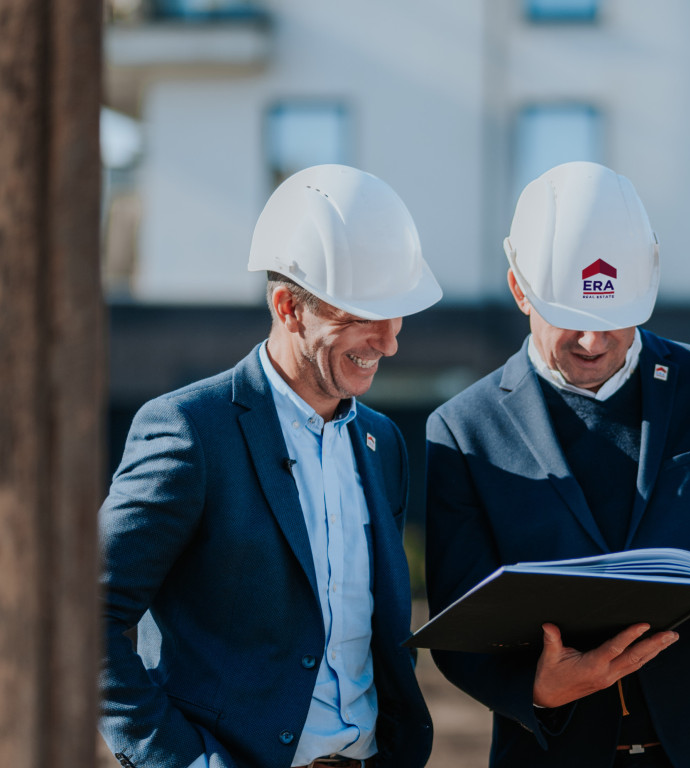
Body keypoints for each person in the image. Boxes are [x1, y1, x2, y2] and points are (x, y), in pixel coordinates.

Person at [424, 161, 690, 768]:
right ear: (520, 289)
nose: (594, 342)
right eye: (572, 320)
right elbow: (457, 621)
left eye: (612, 319)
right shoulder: (463, 429)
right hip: (556, 751)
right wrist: (538, 689)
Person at [99, 165, 442, 768]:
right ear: (288, 307)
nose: (388, 343)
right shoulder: (189, 430)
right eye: (362, 316)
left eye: (397, 315)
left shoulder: (383, 443)